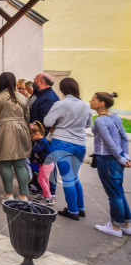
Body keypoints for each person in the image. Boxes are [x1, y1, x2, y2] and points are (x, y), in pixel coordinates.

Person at [44, 77, 92, 220]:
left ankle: (72, 210)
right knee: (75, 177)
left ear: (63, 89)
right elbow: (88, 124)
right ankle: (80, 208)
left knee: (67, 178)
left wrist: (61, 122)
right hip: (80, 143)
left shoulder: (61, 104)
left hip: (62, 142)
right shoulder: (86, 105)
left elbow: (47, 121)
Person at [90, 92, 131, 237]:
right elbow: (124, 139)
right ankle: (126, 224)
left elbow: (110, 143)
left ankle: (115, 227)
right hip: (116, 158)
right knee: (118, 192)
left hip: (107, 159)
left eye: (93, 99)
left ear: (101, 103)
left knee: (114, 194)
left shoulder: (100, 121)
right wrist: (125, 156)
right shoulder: (114, 116)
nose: (90, 101)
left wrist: (121, 158)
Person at [0, 72, 32, 201]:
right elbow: (27, 116)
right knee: (20, 163)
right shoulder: (22, 97)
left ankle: (8, 194)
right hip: (21, 129)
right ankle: (23, 195)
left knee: (5, 163)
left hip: (4, 130)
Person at [29, 121, 54, 205]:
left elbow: (35, 150)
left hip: (46, 164)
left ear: (37, 133)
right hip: (46, 164)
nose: (31, 138)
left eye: (31, 136)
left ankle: (49, 197)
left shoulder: (43, 142)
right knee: (45, 180)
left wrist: (28, 149)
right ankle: (44, 194)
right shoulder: (40, 141)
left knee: (41, 180)